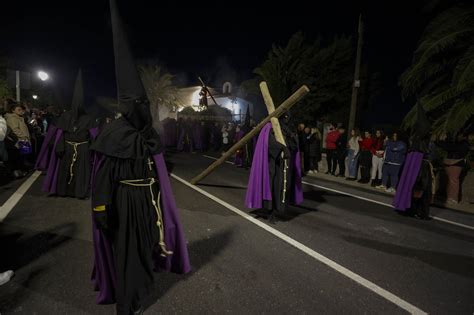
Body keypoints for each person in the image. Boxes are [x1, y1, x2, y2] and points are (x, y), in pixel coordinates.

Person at [90, 1, 191, 313]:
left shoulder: (148, 134)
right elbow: (104, 176)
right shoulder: (114, 135)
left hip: (148, 202)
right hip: (123, 204)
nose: (144, 110)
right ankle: (126, 304)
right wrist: (101, 209)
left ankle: (140, 287)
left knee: (146, 248)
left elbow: (158, 167)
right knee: (126, 255)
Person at [40, 70, 99, 198]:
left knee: (81, 172)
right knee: (64, 170)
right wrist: (60, 146)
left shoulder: (89, 118)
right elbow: (59, 134)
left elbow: (94, 136)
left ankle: (79, 192)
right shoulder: (65, 116)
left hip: (83, 149)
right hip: (67, 148)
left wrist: (92, 149)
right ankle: (63, 191)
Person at [245, 113, 303, 223]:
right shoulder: (270, 127)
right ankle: (271, 210)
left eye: (288, 117)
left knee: (284, 187)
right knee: (273, 187)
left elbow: (294, 143)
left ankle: (279, 209)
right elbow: (269, 143)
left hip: (285, 164)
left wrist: (291, 143)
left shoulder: (288, 129)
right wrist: (281, 148)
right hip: (273, 165)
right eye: (285, 117)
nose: (287, 119)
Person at [394, 103, 434, 220]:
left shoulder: (414, 139)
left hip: (413, 162)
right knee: (422, 188)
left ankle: (410, 209)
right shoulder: (421, 140)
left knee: (410, 185)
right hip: (420, 164)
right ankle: (419, 211)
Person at [437, 133, 470, 204]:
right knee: (452, 181)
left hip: (456, 163)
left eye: (460, 135)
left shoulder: (463, 144)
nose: (458, 136)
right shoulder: (461, 144)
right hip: (455, 163)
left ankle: (452, 198)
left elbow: (451, 148)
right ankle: (451, 198)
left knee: (453, 181)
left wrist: (442, 142)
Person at [4, 101, 31, 178]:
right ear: (13, 110)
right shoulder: (12, 118)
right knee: (19, 157)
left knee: (23, 156)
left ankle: (22, 170)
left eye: (21, 110)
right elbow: (15, 129)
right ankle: (18, 172)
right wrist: (23, 137)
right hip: (19, 140)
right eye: (18, 110)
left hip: (23, 139)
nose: (21, 111)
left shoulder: (19, 117)